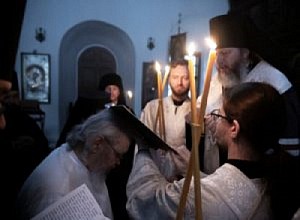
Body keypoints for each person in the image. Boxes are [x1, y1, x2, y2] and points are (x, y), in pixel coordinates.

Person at [127, 82, 288, 219]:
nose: (214, 119)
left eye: (219, 115)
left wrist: (144, 149)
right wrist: (192, 170)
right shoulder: (271, 183)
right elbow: (230, 188)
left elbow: (142, 202)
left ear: (234, 129)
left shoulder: (202, 195)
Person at [197, 13, 300, 174]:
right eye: (216, 54)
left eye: (225, 53)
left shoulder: (273, 80)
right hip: (222, 175)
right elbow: (201, 111)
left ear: (245, 53)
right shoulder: (218, 80)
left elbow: (289, 149)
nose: (218, 61)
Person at [16, 107, 133, 220]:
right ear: (96, 144)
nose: (118, 162)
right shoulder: (57, 187)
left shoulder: (89, 164)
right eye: (117, 155)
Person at [56, 72, 135, 220]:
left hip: (116, 174)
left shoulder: (127, 113)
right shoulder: (90, 109)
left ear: (120, 91)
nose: (111, 92)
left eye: (115, 88)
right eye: (108, 88)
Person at [0, 71, 50, 219]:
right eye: (6, 98)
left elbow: (43, 147)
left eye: (15, 97)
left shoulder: (25, 121)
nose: (13, 102)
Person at [139, 59, 191, 181]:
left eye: (185, 78)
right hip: (155, 175)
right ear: (168, 79)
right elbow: (143, 145)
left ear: (191, 80)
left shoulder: (197, 110)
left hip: (183, 179)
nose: (180, 82)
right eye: (175, 77)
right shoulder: (152, 108)